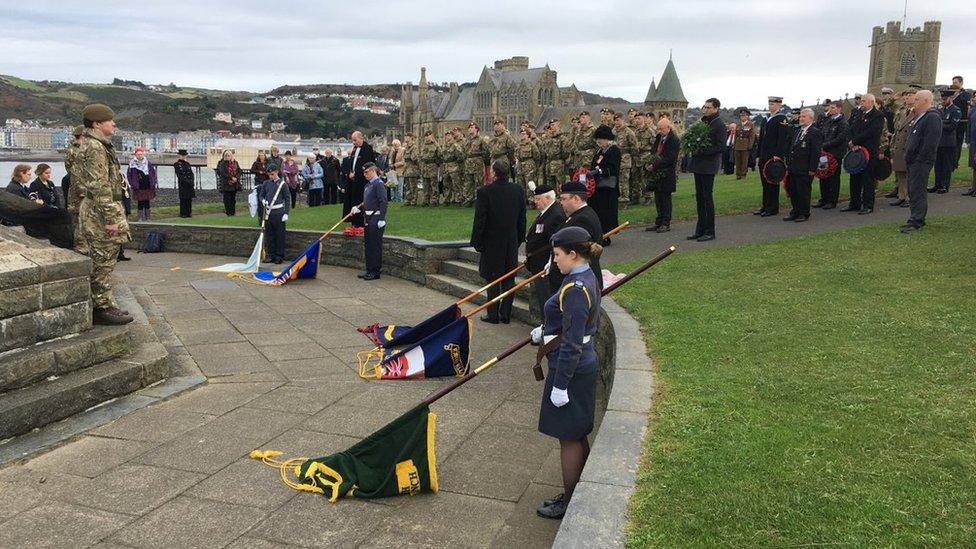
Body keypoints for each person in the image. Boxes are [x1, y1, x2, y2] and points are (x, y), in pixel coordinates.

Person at [532, 225, 603, 520]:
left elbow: (573, 343)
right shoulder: (583, 276)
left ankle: (570, 501)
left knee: (569, 436)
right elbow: (572, 325)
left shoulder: (575, 288)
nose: (555, 261)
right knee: (576, 431)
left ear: (573, 254)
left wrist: (560, 384)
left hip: (570, 368)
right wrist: (546, 331)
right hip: (578, 363)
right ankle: (581, 491)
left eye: (558, 255)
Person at [75, 103, 132, 325]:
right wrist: (111, 219)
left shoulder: (99, 145)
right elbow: (99, 186)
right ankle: (101, 307)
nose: (114, 123)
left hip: (102, 209)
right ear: (97, 123)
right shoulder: (95, 148)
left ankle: (104, 302)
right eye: (110, 120)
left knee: (106, 258)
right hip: (100, 213)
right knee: (102, 259)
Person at [470, 159, 526, 324]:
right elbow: (521, 218)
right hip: (510, 241)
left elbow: (480, 219)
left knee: (493, 279)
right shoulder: (517, 190)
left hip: (492, 241)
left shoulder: (485, 192)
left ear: (494, 173)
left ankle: (493, 314)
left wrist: (477, 241)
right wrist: (519, 238)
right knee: (508, 278)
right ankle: (504, 314)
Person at [902, 90, 942, 233]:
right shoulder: (920, 117)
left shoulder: (932, 117)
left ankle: (917, 221)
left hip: (921, 161)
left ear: (926, 101)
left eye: (917, 99)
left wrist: (919, 159)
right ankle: (914, 217)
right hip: (913, 160)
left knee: (918, 190)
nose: (914, 101)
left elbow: (930, 143)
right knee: (913, 190)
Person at [687, 98, 727, 241]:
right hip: (699, 164)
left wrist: (703, 150)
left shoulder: (719, 125)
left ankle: (710, 231)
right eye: (705, 107)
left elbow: (721, 146)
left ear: (716, 108)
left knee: (707, 198)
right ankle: (700, 229)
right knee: (699, 198)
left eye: (709, 107)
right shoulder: (703, 122)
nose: (706, 109)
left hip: (709, 165)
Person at [525, 183, 566, 315]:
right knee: (543, 299)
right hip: (537, 263)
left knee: (547, 299)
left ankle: (549, 328)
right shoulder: (546, 212)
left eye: (538, 199)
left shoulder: (555, 215)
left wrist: (550, 262)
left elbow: (554, 243)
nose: (535, 202)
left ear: (548, 198)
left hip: (544, 266)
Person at [843, 93, 885, 214]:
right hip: (855, 150)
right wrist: (851, 142)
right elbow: (850, 128)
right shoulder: (858, 114)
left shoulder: (878, 115)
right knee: (854, 177)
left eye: (864, 101)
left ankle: (867, 205)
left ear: (871, 102)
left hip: (869, 151)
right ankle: (854, 203)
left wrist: (855, 141)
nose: (861, 103)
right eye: (861, 101)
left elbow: (872, 132)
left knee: (868, 179)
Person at [558, 181, 603, 289]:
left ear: (576, 199)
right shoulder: (579, 215)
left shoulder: (583, 219)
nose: (561, 203)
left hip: (580, 281)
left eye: (564, 199)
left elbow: (577, 253)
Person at [784, 109, 823, 222]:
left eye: (804, 117)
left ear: (811, 118)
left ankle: (804, 213)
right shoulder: (797, 131)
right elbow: (791, 147)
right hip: (793, 167)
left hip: (805, 168)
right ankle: (795, 211)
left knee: (803, 191)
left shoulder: (815, 132)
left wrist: (812, 168)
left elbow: (816, 152)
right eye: (800, 116)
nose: (801, 118)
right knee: (793, 190)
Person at [351, 162, 388, 280]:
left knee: (375, 246)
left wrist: (382, 219)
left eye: (366, 172)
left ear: (373, 171)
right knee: (368, 245)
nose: (365, 174)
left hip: (376, 218)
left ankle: (375, 271)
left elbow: (383, 202)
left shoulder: (379, 184)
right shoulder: (368, 185)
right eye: (364, 172)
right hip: (368, 218)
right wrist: (358, 207)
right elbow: (367, 201)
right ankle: (369, 269)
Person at [754, 96, 791, 216]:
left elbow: (782, 139)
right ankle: (765, 206)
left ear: (779, 105)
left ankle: (773, 208)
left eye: (773, 104)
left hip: (773, 155)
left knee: (772, 181)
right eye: (769, 104)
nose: (770, 106)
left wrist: (778, 155)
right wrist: (758, 154)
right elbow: (762, 139)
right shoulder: (766, 119)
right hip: (764, 155)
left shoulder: (781, 118)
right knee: (764, 181)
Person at [645, 117, 680, 233]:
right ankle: (659, 221)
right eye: (658, 129)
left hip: (666, 173)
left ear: (668, 127)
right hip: (657, 173)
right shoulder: (659, 137)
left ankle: (666, 222)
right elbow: (654, 151)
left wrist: (655, 165)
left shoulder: (673, 139)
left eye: (662, 129)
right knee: (658, 198)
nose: (659, 131)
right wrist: (651, 162)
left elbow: (670, 158)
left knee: (665, 199)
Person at [587, 125, 620, 245]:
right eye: (597, 139)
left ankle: (605, 235)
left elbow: (613, 169)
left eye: (600, 138)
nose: (598, 141)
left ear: (607, 138)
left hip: (607, 187)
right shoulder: (599, 151)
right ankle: (597, 233)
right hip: (597, 186)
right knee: (596, 210)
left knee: (606, 212)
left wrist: (599, 171)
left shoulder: (614, 150)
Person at [816, 100, 849, 209]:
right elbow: (821, 133)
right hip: (824, 154)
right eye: (830, 107)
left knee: (833, 177)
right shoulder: (827, 120)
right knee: (823, 175)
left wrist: (825, 145)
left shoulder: (843, 122)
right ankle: (824, 198)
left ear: (839, 109)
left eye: (833, 108)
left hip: (835, 154)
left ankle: (832, 200)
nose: (831, 110)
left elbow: (839, 139)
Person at [887, 88, 918, 207]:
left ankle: (910, 197)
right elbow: (896, 129)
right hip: (899, 144)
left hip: (910, 145)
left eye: (910, 95)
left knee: (910, 174)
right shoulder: (902, 110)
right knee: (900, 173)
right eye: (905, 96)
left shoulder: (918, 111)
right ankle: (902, 196)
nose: (906, 97)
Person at [930, 90, 962, 194]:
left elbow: (952, 126)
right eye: (942, 99)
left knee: (946, 165)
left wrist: (939, 124)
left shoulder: (955, 111)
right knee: (938, 164)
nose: (943, 101)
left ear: (951, 98)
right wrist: (942, 123)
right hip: (939, 142)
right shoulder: (940, 110)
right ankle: (937, 184)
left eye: (945, 99)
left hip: (948, 143)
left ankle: (944, 185)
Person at [344, 131, 376, 226]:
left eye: (355, 140)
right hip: (353, 180)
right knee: (353, 200)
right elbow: (352, 163)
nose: (354, 142)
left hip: (362, 180)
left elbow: (367, 165)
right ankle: (355, 221)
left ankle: (362, 221)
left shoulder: (367, 149)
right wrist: (349, 172)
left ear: (360, 138)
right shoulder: (354, 149)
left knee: (362, 200)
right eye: (353, 140)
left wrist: (357, 174)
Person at [260, 165, 289, 264]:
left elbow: (287, 199)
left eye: (272, 174)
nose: (271, 176)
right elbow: (261, 195)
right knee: (270, 236)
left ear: (277, 172)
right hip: (268, 213)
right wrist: (263, 200)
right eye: (269, 174)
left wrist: (286, 213)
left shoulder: (282, 184)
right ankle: (271, 255)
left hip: (279, 213)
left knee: (280, 236)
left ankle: (279, 256)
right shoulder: (266, 183)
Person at [127, 147, 157, 221]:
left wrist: (153, 182)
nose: (140, 156)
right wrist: (132, 184)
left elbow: (153, 173)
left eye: (141, 154)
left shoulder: (147, 163)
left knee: (147, 201)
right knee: (140, 202)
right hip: (138, 186)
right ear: (135, 155)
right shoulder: (132, 164)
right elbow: (129, 175)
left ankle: (148, 217)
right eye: (138, 154)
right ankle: (140, 218)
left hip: (147, 185)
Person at [515, 128, 541, 202]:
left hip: (529, 166)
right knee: (521, 184)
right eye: (521, 134)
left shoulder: (532, 145)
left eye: (524, 134)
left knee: (529, 184)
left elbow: (537, 156)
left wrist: (534, 166)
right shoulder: (518, 145)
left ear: (528, 135)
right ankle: (523, 201)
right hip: (520, 166)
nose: (522, 135)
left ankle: (531, 201)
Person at [950, 76, 971, 168]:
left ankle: (954, 163)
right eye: (953, 82)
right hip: (951, 122)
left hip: (960, 123)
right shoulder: (951, 93)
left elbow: (966, 105)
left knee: (957, 143)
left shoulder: (965, 94)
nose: (954, 84)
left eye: (956, 82)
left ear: (961, 83)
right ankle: (950, 161)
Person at [417, 130, 441, 207]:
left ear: (432, 136)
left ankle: (434, 200)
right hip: (425, 166)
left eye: (429, 135)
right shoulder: (423, 145)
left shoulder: (435, 145)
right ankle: (426, 199)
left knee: (433, 184)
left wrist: (436, 164)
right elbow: (420, 156)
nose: (427, 137)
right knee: (425, 184)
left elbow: (440, 156)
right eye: (426, 136)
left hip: (432, 166)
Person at [442, 131, 464, 205]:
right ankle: (447, 199)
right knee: (446, 184)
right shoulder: (445, 146)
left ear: (452, 136)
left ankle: (458, 199)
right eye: (446, 135)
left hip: (454, 166)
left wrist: (456, 163)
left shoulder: (455, 145)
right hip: (446, 166)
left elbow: (460, 156)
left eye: (449, 135)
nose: (447, 137)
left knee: (456, 184)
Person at [216, 150, 241, 216]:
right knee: (227, 199)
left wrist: (236, 178)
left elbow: (239, 171)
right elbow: (222, 173)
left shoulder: (235, 163)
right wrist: (231, 178)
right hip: (226, 184)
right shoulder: (222, 163)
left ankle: (233, 212)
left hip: (234, 184)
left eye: (229, 155)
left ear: (231, 156)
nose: (227, 157)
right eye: (226, 155)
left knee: (233, 199)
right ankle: (228, 212)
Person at [733, 111, 757, 179]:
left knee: (744, 161)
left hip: (745, 145)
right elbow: (735, 136)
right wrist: (734, 145)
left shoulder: (750, 124)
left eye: (744, 116)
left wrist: (750, 145)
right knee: (737, 161)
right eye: (741, 116)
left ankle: (743, 175)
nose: (742, 117)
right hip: (738, 145)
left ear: (747, 116)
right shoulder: (738, 124)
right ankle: (738, 174)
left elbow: (752, 136)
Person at [173, 149, 194, 218]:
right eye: (182, 155)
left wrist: (191, 181)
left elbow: (191, 173)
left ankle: (189, 212)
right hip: (183, 184)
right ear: (179, 156)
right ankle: (183, 213)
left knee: (189, 199)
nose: (183, 156)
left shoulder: (188, 164)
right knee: (183, 199)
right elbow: (179, 175)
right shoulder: (177, 164)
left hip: (189, 184)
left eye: (184, 155)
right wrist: (187, 181)